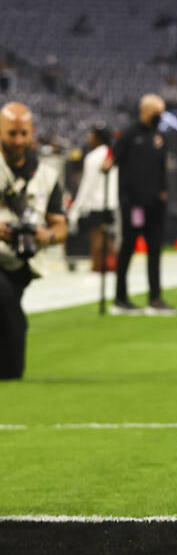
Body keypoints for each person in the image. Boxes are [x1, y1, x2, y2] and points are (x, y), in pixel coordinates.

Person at [0, 103, 68, 380]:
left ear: (32, 133)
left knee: (11, 368)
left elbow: (60, 225)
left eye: (23, 134)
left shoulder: (46, 175)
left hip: (20, 263)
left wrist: (46, 236)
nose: (18, 141)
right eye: (12, 133)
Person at [111, 94, 175, 316]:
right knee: (128, 248)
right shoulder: (129, 134)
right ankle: (120, 298)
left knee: (155, 249)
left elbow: (162, 167)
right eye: (157, 112)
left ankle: (155, 298)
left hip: (155, 204)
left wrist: (163, 191)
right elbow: (113, 159)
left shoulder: (160, 136)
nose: (160, 116)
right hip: (134, 205)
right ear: (145, 110)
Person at [67, 124, 118, 273]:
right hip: (111, 202)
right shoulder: (112, 153)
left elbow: (86, 184)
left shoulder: (93, 157)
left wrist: (77, 206)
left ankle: (97, 266)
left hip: (96, 203)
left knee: (96, 235)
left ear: (98, 137)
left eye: (91, 135)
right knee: (108, 236)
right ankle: (115, 265)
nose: (88, 138)